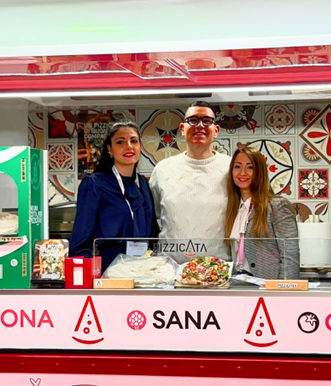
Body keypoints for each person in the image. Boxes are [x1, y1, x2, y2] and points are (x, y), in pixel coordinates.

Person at [70, 121, 157, 270]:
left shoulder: (143, 183)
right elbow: (80, 243)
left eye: (134, 141)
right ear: (110, 149)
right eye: (120, 142)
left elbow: (153, 232)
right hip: (109, 269)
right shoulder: (94, 184)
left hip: (144, 269)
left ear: (140, 147)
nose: (129, 146)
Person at [149, 101, 231, 257]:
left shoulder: (231, 168)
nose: (200, 126)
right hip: (170, 267)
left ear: (216, 130)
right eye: (193, 120)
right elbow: (155, 217)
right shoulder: (162, 169)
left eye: (206, 121)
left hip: (219, 266)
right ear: (182, 129)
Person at [225, 144, 300, 280]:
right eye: (237, 166)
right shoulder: (233, 209)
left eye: (250, 167)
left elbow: (290, 255)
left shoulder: (277, 206)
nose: (242, 173)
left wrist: (284, 288)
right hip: (238, 283)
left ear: (260, 172)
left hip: (268, 284)